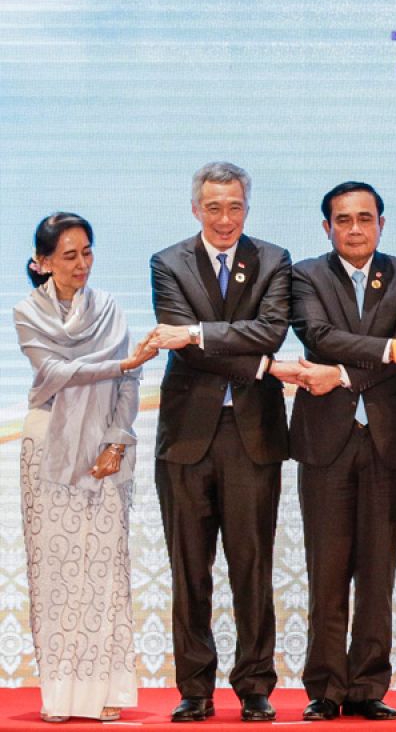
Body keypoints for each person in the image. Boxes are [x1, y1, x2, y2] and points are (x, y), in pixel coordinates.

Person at [287, 181, 396, 721]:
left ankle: (367, 686)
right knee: (327, 570)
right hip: (325, 439)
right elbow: (319, 335)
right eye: (343, 220)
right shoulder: (306, 275)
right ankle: (325, 688)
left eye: (365, 218)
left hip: (388, 438)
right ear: (327, 227)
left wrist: (342, 373)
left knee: (378, 571)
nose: (355, 229)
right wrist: (389, 350)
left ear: (381, 223)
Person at [147, 162, 299, 723]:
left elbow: (272, 331)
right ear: (196, 209)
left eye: (235, 206)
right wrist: (256, 361)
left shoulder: (274, 260)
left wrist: (197, 333)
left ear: (246, 208)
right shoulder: (168, 263)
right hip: (187, 437)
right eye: (214, 207)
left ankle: (255, 685)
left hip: (253, 434)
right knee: (189, 568)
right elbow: (184, 348)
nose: (225, 218)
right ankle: (195, 688)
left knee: (252, 567)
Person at [14, 213, 158, 723]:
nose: (82, 264)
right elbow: (53, 372)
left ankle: (104, 690)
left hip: (103, 448)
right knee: (55, 572)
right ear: (43, 262)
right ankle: (60, 694)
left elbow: (128, 385)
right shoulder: (27, 312)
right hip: (49, 444)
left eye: (87, 252)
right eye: (69, 255)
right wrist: (121, 364)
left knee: (103, 569)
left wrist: (116, 443)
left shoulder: (110, 308)